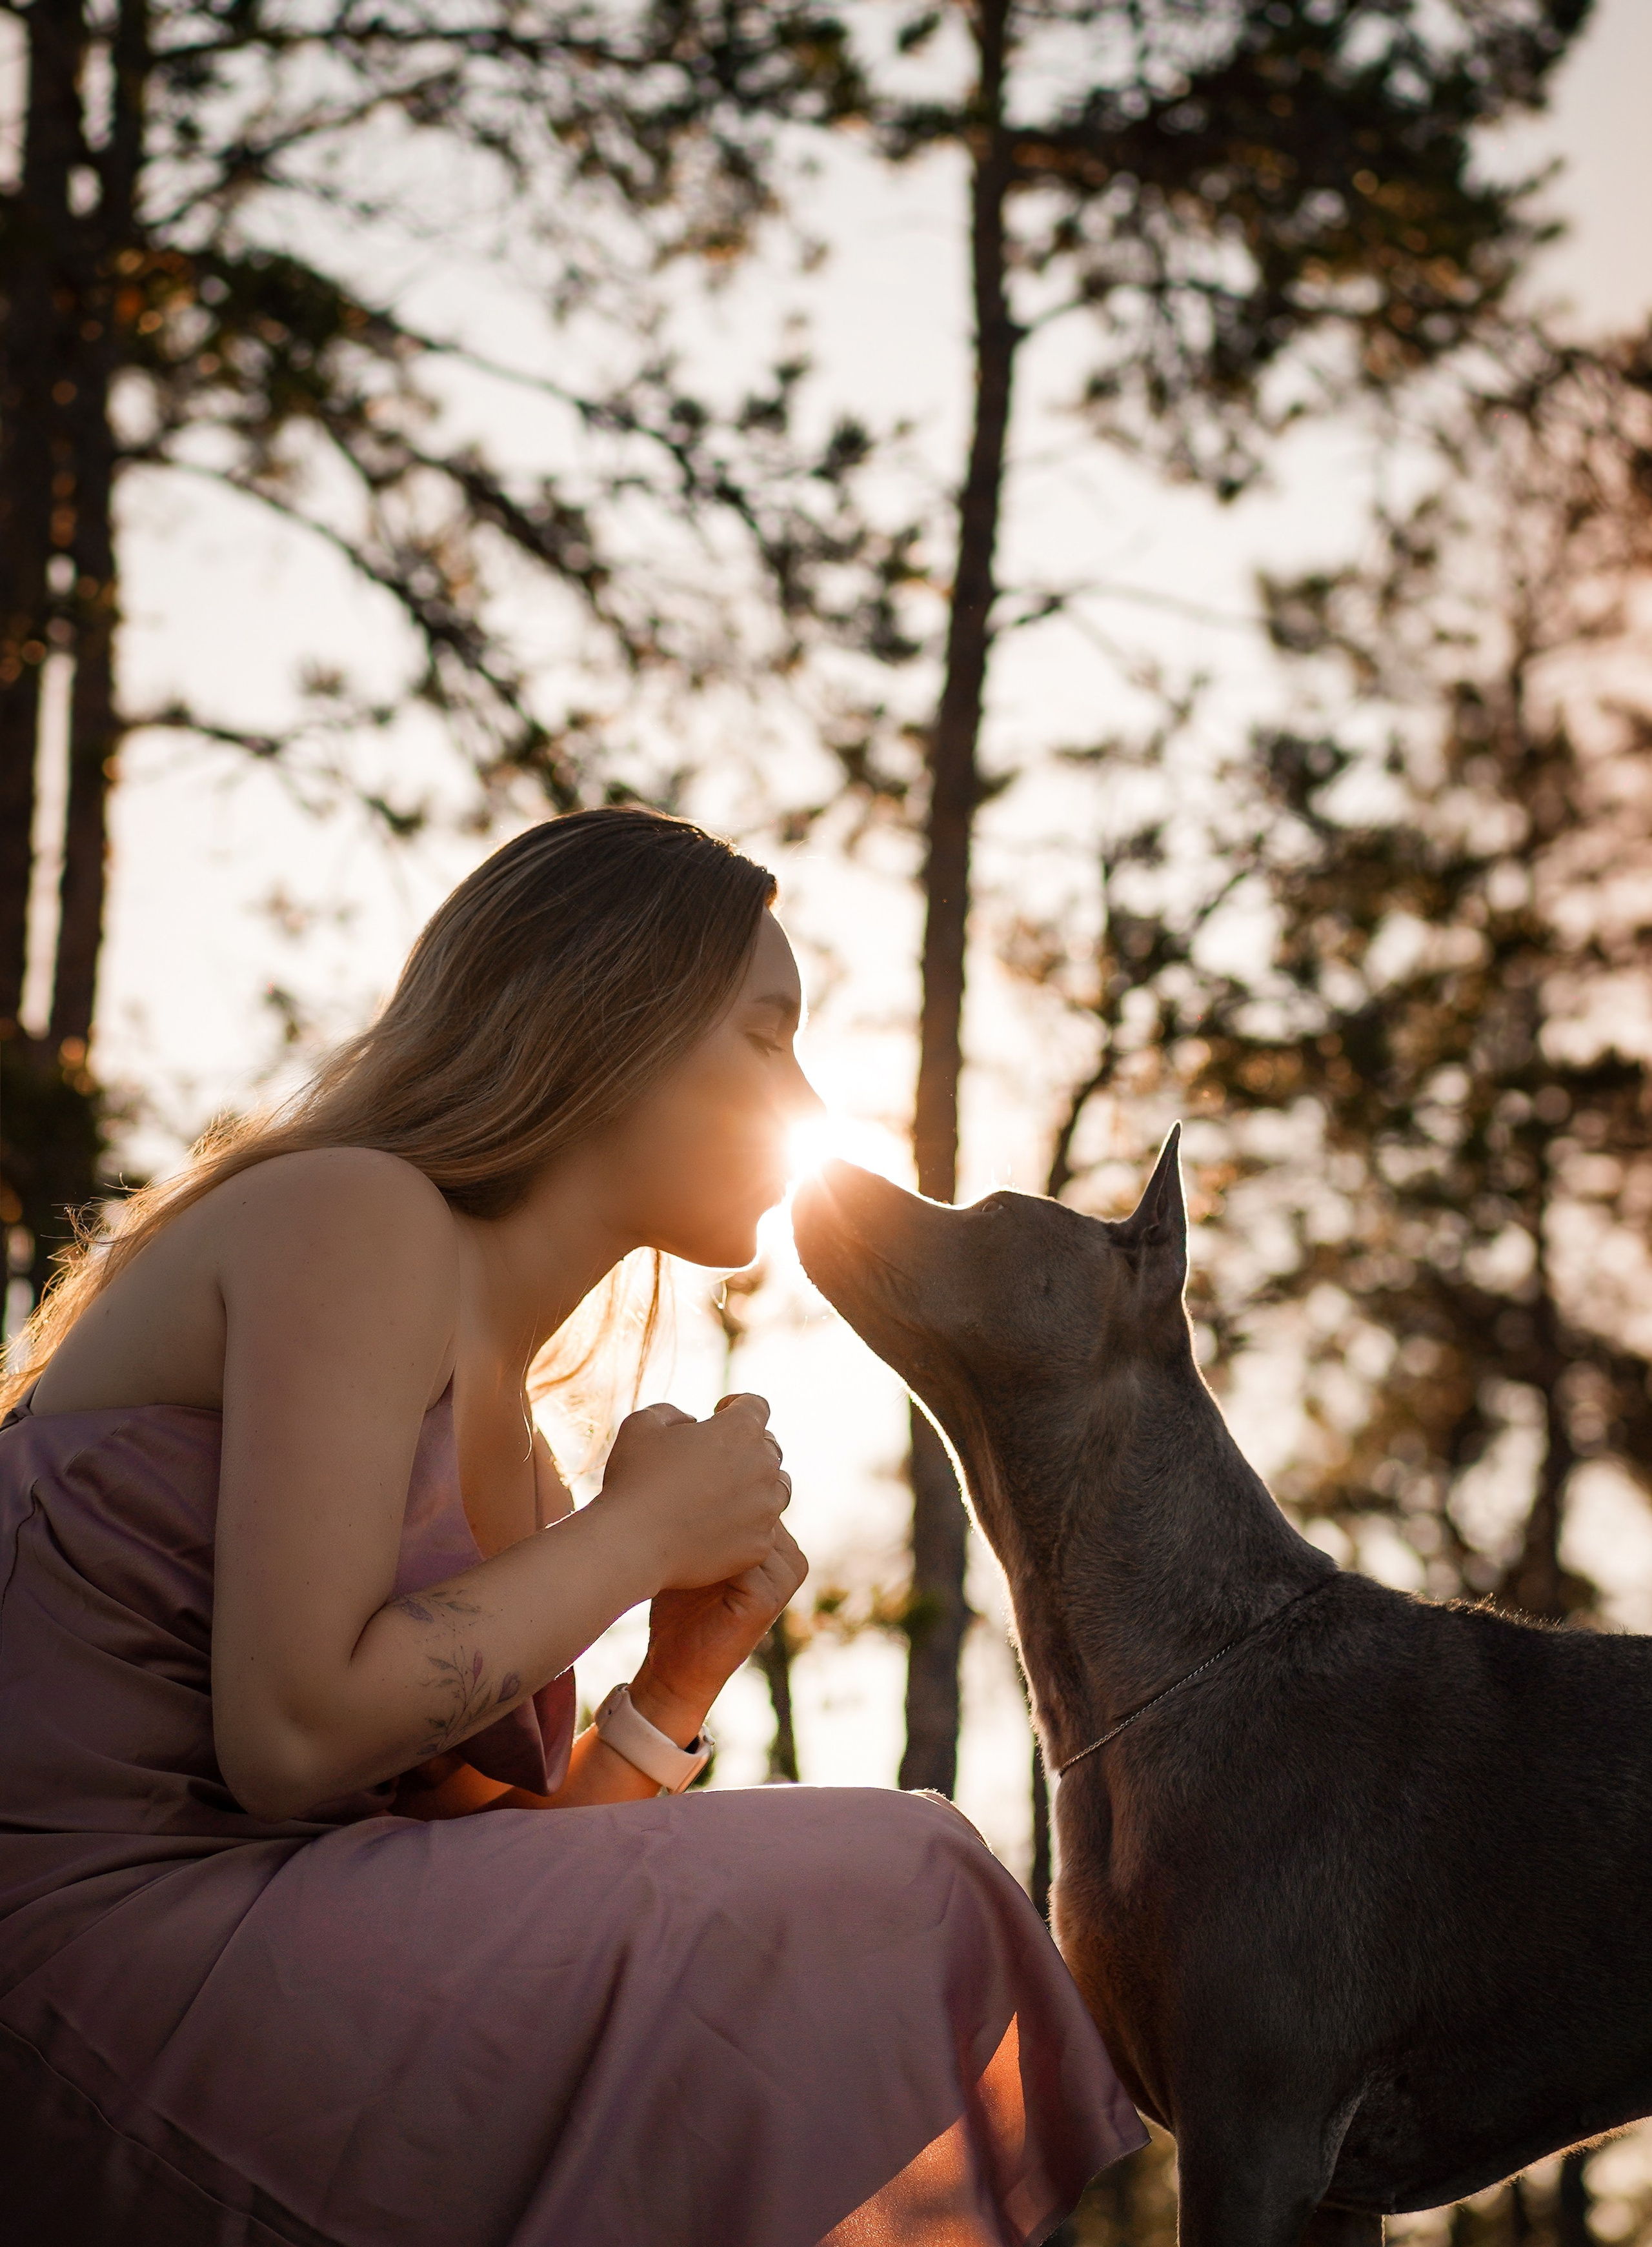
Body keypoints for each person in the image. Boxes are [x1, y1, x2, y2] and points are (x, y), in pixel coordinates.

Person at [0, 807, 1146, 2246]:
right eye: (765, 1033)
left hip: (244, 1975)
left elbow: (493, 1891)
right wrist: (638, 1535)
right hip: (73, 1968)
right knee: (905, 1888)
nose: (804, 1091)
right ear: (613, 1017)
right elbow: (290, 1735)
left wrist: (673, 1684)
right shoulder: (353, 1218)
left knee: (857, 1921)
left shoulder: (527, 1465)